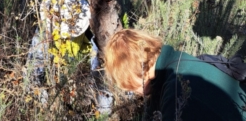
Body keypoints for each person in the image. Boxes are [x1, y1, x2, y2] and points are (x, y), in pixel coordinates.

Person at [104, 29, 246, 120]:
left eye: (129, 85)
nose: (132, 92)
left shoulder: (176, 93)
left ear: (135, 71)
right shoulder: (181, 61)